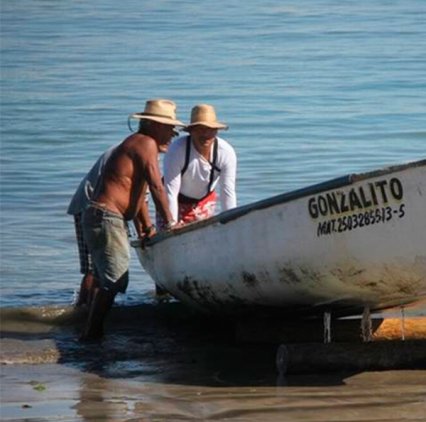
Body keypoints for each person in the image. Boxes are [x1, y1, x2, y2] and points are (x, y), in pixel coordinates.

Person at [80, 99, 183, 341]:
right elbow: (157, 186)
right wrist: (170, 222)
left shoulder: (137, 145)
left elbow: (138, 196)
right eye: (169, 128)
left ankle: (89, 331)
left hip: (100, 216)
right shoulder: (145, 143)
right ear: (153, 125)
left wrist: (147, 228)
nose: (172, 134)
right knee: (115, 280)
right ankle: (92, 334)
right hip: (106, 217)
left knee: (104, 278)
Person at [161, 104, 237, 226]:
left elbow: (227, 191)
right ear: (191, 131)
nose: (205, 134)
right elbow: (170, 192)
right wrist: (172, 224)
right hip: (176, 200)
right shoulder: (177, 150)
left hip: (204, 200)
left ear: (216, 131)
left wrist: (232, 222)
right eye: (200, 129)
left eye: (210, 129)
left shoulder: (226, 152)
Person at [67, 146, 116, 307]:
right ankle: (84, 309)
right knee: (94, 269)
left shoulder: (127, 147)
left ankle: (83, 309)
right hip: (90, 207)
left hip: (92, 205)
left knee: (95, 267)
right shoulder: (138, 150)